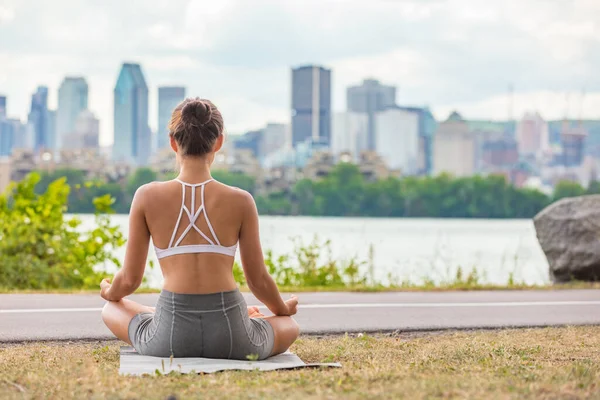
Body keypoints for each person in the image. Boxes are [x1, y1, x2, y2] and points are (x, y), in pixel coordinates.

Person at [100, 98, 299, 360]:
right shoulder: (241, 200)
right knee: (290, 326)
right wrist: (282, 308)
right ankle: (241, 318)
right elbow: (258, 280)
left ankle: (155, 314)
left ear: (173, 142)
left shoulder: (146, 196)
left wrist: (109, 293)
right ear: (219, 142)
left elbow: (129, 280)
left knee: (110, 309)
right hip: (232, 334)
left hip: (170, 336)